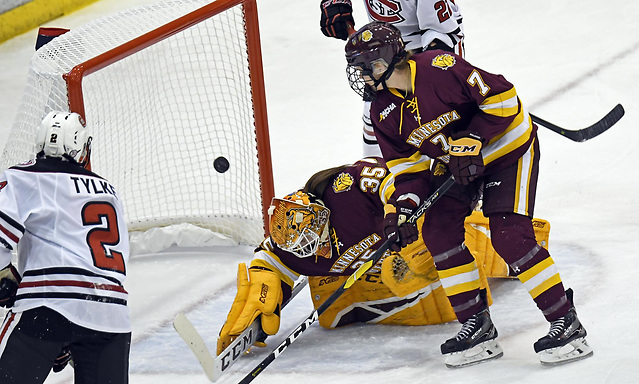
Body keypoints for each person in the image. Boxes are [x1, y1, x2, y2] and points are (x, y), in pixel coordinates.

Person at [343, 21, 593, 368]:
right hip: (456, 166)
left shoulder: (438, 69)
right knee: (437, 233)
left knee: (509, 236)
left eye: (363, 69)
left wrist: (474, 136)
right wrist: (402, 210)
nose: (360, 78)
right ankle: (477, 328)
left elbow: (504, 98)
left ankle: (567, 324)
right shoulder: (382, 112)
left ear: (383, 64)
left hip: (507, 151)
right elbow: (408, 169)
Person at [216, 157, 551, 355]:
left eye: (309, 236)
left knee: (408, 266)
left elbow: (393, 181)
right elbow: (271, 260)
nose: (304, 248)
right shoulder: (292, 245)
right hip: (384, 253)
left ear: (321, 215)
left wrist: (400, 211)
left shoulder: (343, 190)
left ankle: (499, 248)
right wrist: (265, 284)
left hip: (419, 221)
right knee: (332, 313)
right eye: (296, 245)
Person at [0, 111, 131, 383]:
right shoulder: (109, 189)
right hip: (111, 316)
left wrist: (3, 276)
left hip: (49, 304)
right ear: (80, 147)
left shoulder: (24, 177)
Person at [320, 0, 464, 157]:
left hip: (423, 53)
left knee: (443, 132)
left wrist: (427, 75)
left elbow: (442, 33)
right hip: (382, 53)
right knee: (379, 130)